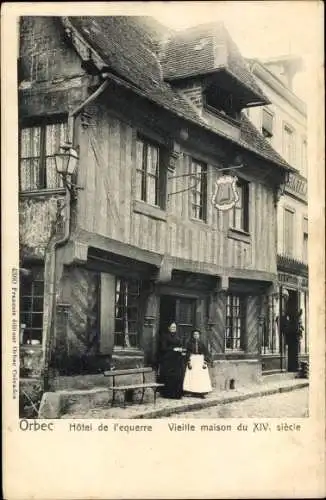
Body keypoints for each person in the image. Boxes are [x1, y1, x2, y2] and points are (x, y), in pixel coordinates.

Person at [159, 322, 187, 399]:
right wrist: (173, 349)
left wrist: (181, 349)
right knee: (170, 377)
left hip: (177, 360)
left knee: (177, 377)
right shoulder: (165, 336)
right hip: (169, 360)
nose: (173, 329)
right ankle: (169, 394)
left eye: (174, 327)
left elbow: (180, 345)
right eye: (172, 327)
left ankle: (177, 394)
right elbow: (163, 348)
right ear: (169, 328)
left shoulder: (178, 336)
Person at [183, 329, 212, 398]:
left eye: (197, 334)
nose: (196, 335)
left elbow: (206, 353)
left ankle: (201, 392)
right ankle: (192, 391)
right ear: (193, 336)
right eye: (194, 334)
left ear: (199, 335)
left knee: (200, 376)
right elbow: (187, 352)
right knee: (192, 376)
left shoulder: (202, 343)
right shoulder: (189, 343)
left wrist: (205, 361)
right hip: (193, 359)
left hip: (200, 360)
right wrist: (189, 361)